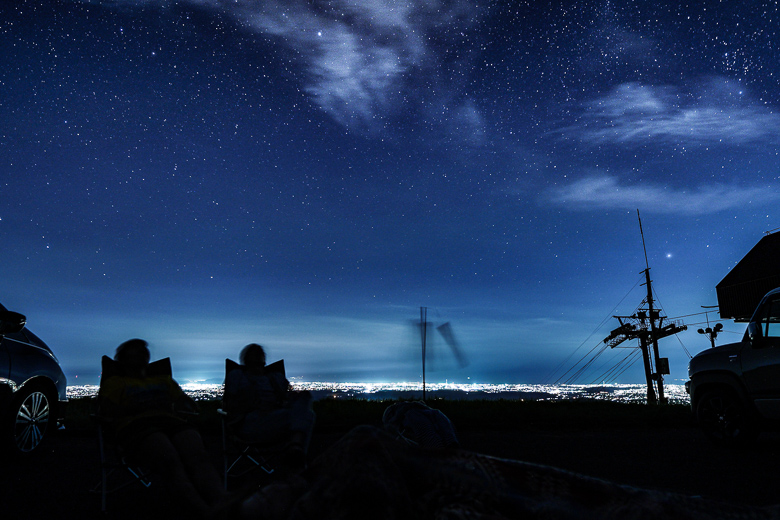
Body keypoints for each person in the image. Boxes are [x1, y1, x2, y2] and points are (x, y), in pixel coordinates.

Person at [97, 339, 230, 518]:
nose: (142, 354)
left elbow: (185, 403)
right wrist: (145, 407)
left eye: (143, 351)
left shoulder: (164, 380)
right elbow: (107, 411)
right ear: (123, 359)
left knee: (197, 455)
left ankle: (223, 501)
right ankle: (204, 511)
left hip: (170, 422)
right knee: (169, 458)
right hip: (137, 427)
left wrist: (185, 403)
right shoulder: (115, 383)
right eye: (135, 352)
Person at [223, 343, 315, 469]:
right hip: (249, 423)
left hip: (274, 419)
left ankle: (295, 450)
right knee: (308, 415)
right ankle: (296, 453)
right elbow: (230, 403)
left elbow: (288, 398)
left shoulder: (275, 379)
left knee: (305, 399)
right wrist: (251, 403)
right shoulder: (237, 376)